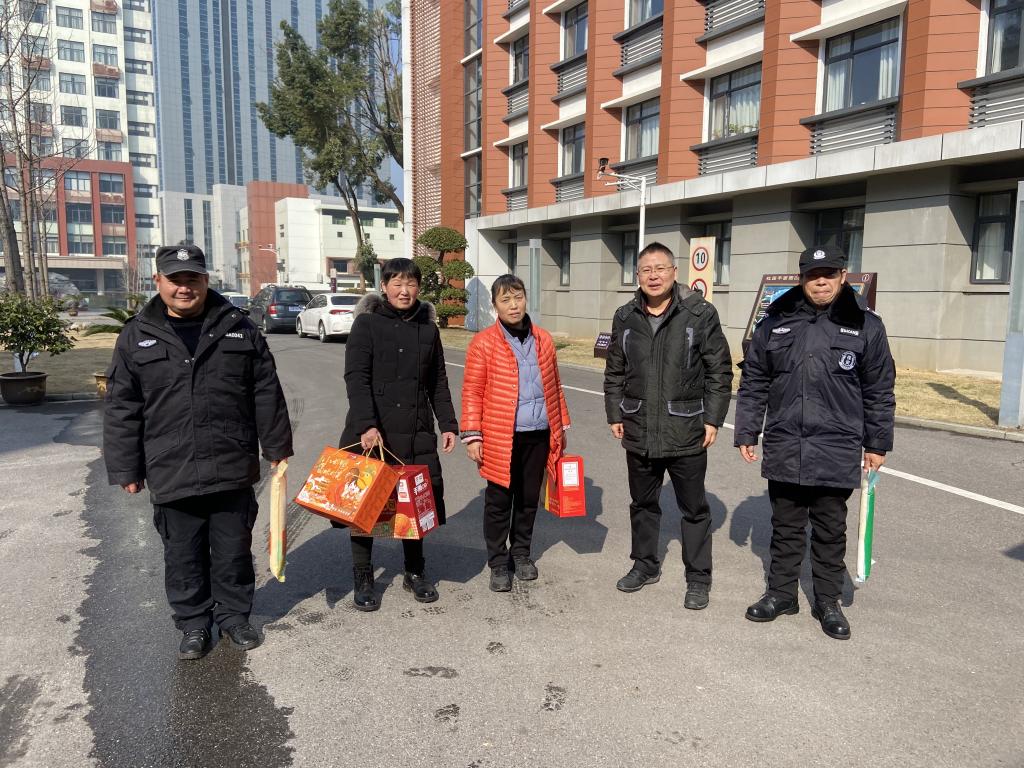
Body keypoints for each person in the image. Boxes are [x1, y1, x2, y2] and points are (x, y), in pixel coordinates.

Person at [103, 245, 293, 660]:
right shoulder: (136, 335)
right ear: (158, 281)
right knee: (182, 554)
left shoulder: (238, 328)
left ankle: (234, 617)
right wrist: (125, 466)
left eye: (193, 279)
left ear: (206, 280)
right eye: (175, 279)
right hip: (170, 466)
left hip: (231, 462)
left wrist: (277, 446)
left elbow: (265, 392)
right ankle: (193, 624)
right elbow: (122, 406)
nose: (184, 288)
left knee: (232, 550)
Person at [734, 244, 895, 640]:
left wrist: (877, 444)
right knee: (786, 526)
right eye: (812, 275)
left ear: (843, 276)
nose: (820, 281)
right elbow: (755, 380)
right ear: (801, 278)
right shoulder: (775, 322)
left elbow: (879, 389)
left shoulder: (866, 325)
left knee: (829, 529)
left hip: (836, 446)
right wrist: (747, 430)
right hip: (786, 441)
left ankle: (828, 601)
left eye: (828, 274)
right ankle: (781, 594)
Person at [603, 242, 733, 609]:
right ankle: (644, 565)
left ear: (674, 273)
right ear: (638, 276)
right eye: (646, 270)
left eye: (660, 268)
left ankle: (698, 577)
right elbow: (615, 371)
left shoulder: (699, 313)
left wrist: (713, 418)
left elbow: (719, 371)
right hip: (639, 426)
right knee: (643, 503)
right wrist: (615, 413)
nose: (654, 276)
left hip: (686, 428)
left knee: (694, 508)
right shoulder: (625, 316)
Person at [337, 258, 458, 611]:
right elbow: (356, 377)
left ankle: (415, 571)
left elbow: (438, 383)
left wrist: (448, 424)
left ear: (419, 287)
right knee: (365, 505)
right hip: (372, 431)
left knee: (414, 503)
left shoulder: (428, 330)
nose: (404, 291)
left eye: (411, 284)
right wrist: (366, 424)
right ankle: (363, 576)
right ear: (384, 286)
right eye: (397, 283)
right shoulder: (366, 324)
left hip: (416, 431)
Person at [460, 274, 571, 592]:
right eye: (505, 299)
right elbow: (472, 391)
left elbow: (554, 386)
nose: (513, 305)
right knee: (498, 500)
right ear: (495, 305)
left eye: (518, 297)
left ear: (526, 299)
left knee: (528, 498)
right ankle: (498, 562)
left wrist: (561, 427)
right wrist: (472, 435)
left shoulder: (543, 339)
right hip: (500, 435)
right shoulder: (483, 343)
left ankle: (521, 553)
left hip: (538, 433)